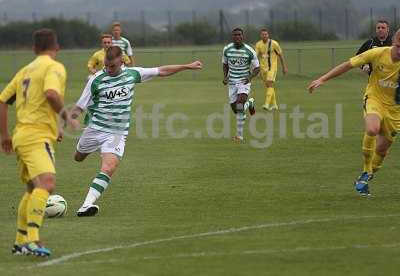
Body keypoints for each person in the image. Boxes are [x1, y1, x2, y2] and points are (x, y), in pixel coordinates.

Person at [69, 46, 202, 217]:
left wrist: (187, 66)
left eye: (112, 66)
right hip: (94, 129)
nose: (108, 70)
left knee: (109, 167)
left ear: (122, 61)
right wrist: (67, 122)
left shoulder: (132, 74)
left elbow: (161, 71)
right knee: (78, 157)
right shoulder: (96, 79)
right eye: (106, 66)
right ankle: (90, 149)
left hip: (116, 133)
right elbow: (80, 106)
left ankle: (86, 205)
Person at [0, 29, 70, 256]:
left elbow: (2, 100)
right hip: (37, 136)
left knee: (32, 188)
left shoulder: (25, 70)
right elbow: (51, 94)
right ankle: (33, 239)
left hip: (21, 136)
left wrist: (5, 136)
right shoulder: (54, 67)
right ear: (56, 47)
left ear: (33, 49)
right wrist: (65, 115)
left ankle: (20, 242)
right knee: (47, 183)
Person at [308, 29, 400, 196]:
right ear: (394, 43)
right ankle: (366, 171)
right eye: (399, 47)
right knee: (372, 129)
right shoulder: (378, 53)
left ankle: (367, 176)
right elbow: (348, 65)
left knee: (382, 151)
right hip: (375, 100)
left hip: (395, 110)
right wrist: (322, 79)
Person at [222, 28, 259, 142]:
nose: (237, 37)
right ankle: (250, 103)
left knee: (239, 105)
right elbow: (225, 64)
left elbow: (257, 68)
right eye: (235, 35)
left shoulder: (249, 51)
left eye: (239, 35)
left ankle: (239, 136)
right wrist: (225, 76)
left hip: (244, 82)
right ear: (232, 37)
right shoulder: (227, 49)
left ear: (243, 36)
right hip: (232, 83)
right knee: (237, 110)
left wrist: (249, 77)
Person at [255, 28, 288, 111]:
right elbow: (255, 57)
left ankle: (266, 104)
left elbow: (280, 55)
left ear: (268, 35)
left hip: (272, 68)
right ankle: (274, 105)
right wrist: (257, 69)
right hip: (263, 69)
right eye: (263, 34)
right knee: (269, 86)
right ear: (260, 35)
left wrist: (284, 67)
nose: (264, 36)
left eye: (266, 34)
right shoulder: (258, 44)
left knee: (269, 84)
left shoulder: (274, 44)